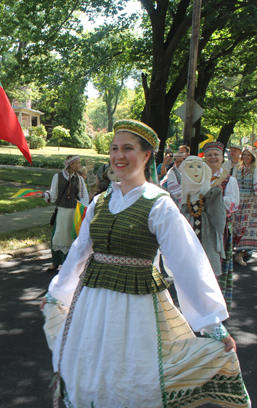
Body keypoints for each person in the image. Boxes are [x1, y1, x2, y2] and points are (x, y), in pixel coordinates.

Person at [40, 119, 250, 408]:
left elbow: (186, 262)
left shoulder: (159, 203)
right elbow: (79, 252)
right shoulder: (101, 201)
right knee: (89, 370)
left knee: (132, 376)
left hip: (136, 308)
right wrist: (58, 292)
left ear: (146, 155)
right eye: (114, 148)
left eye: (128, 148)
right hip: (91, 302)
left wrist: (212, 323)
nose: (118, 156)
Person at [33, 155, 89, 273]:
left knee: (70, 236)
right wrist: (43, 195)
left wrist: (84, 211)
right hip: (62, 211)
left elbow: (83, 196)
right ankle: (55, 262)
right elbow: (53, 194)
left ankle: (67, 263)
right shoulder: (57, 177)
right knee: (58, 236)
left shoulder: (79, 179)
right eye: (78, 163)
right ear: (71, 165)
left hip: (74, 211)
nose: (80, 165)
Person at [204, 141, 240, 311]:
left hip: (221, 228)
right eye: (209, 155)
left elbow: (233, 204)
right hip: (200, 227)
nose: (213, 157)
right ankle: (201, 303)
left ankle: (216, 306)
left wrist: (215, 197)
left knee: (217, 264)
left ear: (221, 158)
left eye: (216, 155)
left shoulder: (229, 179)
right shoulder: (198, 177)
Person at [178, 156, 226, 275]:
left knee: (207, 259)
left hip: (207, 228)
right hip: (188, 226)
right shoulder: (184, 194)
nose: (195, 171)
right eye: (191, 167)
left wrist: (215, 195)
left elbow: (218, 213)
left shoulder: (210, 192)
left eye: (199, 167)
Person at [233, 146, 257, 266]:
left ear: (253, 157)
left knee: (248, 225)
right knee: (237, 225)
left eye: (249, 155)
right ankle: (239, 252)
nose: (246, 157)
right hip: (239, 198)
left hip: (251, 199)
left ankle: (241, 252)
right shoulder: (238, 168)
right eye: (245, 155)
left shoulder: (255, 169)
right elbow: (233, 183)